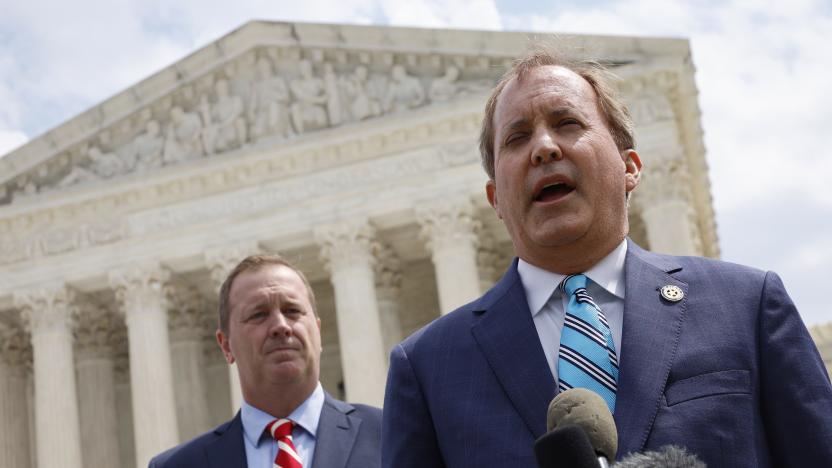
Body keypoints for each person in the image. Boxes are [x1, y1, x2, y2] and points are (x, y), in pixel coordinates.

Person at [382, 49, 832, 467]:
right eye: (517, 137)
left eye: (567, 123)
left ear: (630, 166)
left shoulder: (746, 306)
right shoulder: (428, 367)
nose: (544, 147)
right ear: (495, 198)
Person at [150, 255, 381, 468]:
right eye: (258, 314)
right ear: (226, 345)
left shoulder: (387, 434)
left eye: (292, 310)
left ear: (318, 332)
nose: (281, 326)